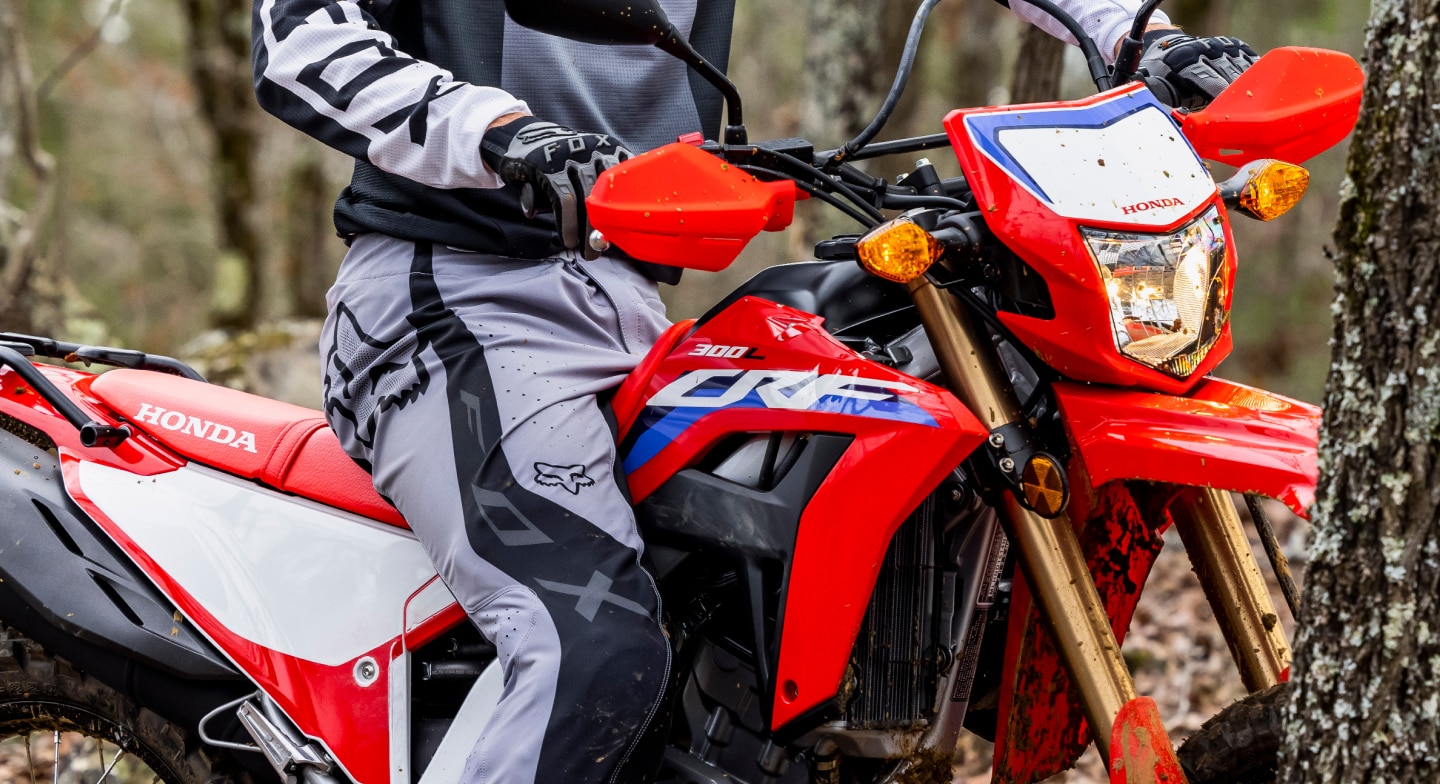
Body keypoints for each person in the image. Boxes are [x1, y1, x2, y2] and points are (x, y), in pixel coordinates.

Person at [250, 2, 1257, 782]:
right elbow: (300, 38)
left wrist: (1135, 32)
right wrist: (507, 135)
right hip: (448, 295)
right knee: (592, 647)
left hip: (626, 302)